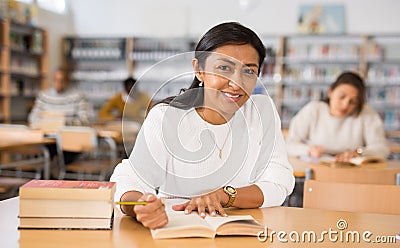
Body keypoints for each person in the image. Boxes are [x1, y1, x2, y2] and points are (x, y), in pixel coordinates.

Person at [110, 22, 294, 230]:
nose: (236, 83)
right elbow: (128, 180)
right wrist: (141, 207)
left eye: (249, 72)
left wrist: (224, 195)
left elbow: (279, 183)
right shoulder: (166, 118)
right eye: (224, 68)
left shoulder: (261, 111)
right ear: (199, 69)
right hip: (177, 231)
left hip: (243, 233)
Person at [286, 71, 390, 162]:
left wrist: (359, 153)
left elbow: (381, 149)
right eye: (341, 97)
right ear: (330, 92)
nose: (345, 105)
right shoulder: (314, 110)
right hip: (318, 168)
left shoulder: (366, 113)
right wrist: (308, 150)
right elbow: (289, 144)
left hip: (353, 172)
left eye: (352, 102)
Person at [28, 68, 93, 126]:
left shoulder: (78, 97)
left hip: (68, 134)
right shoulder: (43, 96)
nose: (58, 84)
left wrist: (65, 123)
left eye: (61, 81)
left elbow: (85, 119)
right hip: (46, 133)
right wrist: (45, 124)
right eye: (55, 80)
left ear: (68, 81)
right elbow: (33, 117)